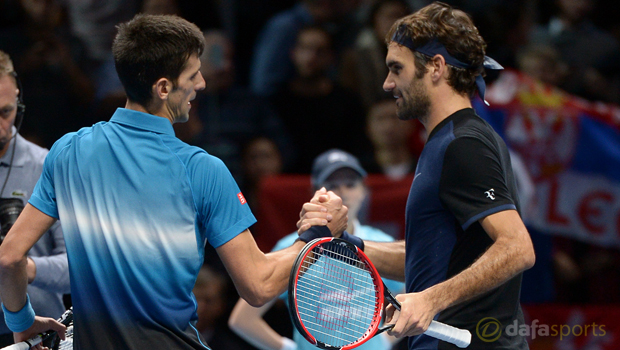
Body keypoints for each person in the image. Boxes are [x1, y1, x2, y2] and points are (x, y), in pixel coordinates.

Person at [0, 14, 348, 350]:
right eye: (193, 75)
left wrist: (21, 321)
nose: (202, 84)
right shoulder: (203, 171)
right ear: (163, 87)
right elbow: (258, 284)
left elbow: (10, 257)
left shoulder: (68, 152)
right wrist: (315, 237)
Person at [297, 2, 536, 349]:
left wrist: (430, 300)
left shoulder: (463, 144)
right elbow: (432, 259)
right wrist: (346, 243)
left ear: (436, 67)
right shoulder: (447, 142)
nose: (386, 83)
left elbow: (517, 248)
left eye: (397, 68)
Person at [229, 149, 405, 350]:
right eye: (332, 185)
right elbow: (242, 319)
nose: (343, 192)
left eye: (350, 184)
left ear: (364, 191)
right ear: (315, 192)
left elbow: (411, 298)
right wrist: (288, 348)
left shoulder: (383, 244)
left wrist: (384, 341)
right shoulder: (289, 249)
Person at [0, 50, 70, 348]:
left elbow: (79, 265)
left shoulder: (47, 167)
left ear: (18, 98)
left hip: (37, 338)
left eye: (5, 112)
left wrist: (23, 267)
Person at [270, 25, 369, 173]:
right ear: (293, 53)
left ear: (331, 56)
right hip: (290, 182)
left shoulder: (347, 101)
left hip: (337, 180)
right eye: (305, 48)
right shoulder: (277, 101)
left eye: (319, 51)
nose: (311, 57)